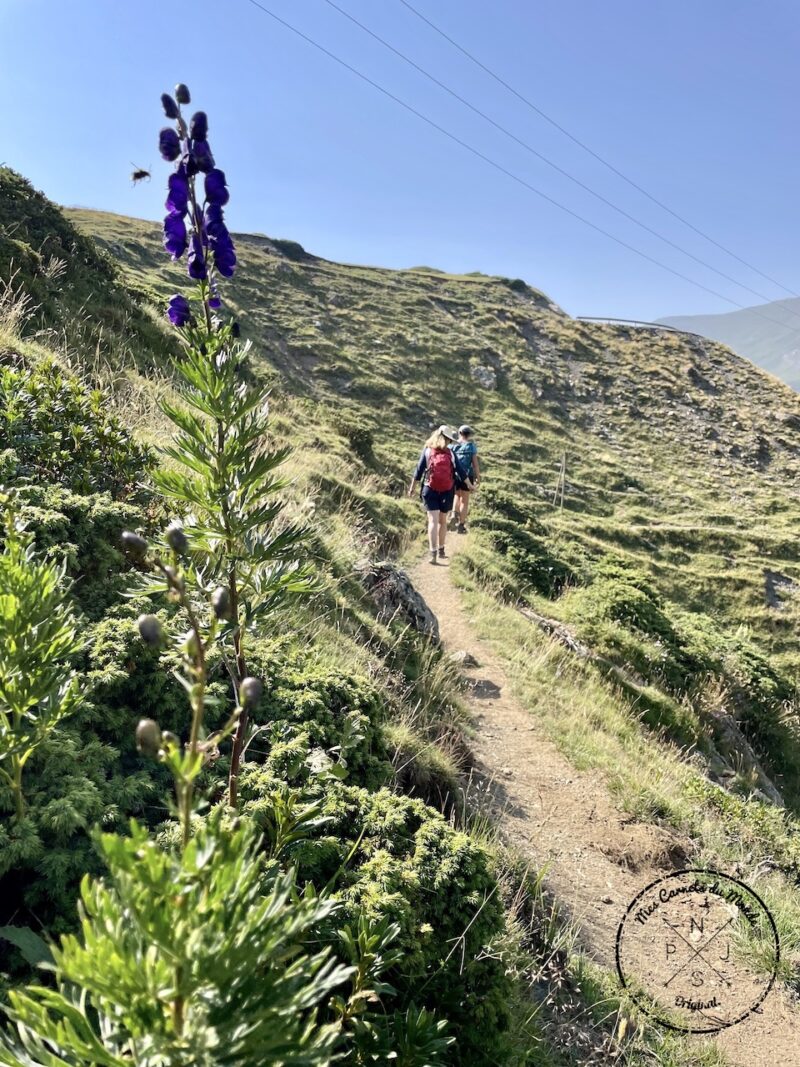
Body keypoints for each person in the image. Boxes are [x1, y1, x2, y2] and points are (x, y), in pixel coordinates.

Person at [408, 425, 458, 564]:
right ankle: (442, 549)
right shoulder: (451, 454)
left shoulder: (428, 451)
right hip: (447, 491)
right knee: (443, 521)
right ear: (448, 440)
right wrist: (471, 485)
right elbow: (460, 471)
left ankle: (433, 553)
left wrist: (412, 488)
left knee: (432, 521)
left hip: (429, 489)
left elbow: (418, 471)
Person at [450, 425, 481, 533]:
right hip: (467, 475)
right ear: (469, 435)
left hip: (455, 475)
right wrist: (478, 477)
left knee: (456, 495)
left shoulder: (453, 445)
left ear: (459, 433)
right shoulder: (471, 446)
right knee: (465, 501)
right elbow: (475, 464)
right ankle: (461, 525)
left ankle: (454, 513)